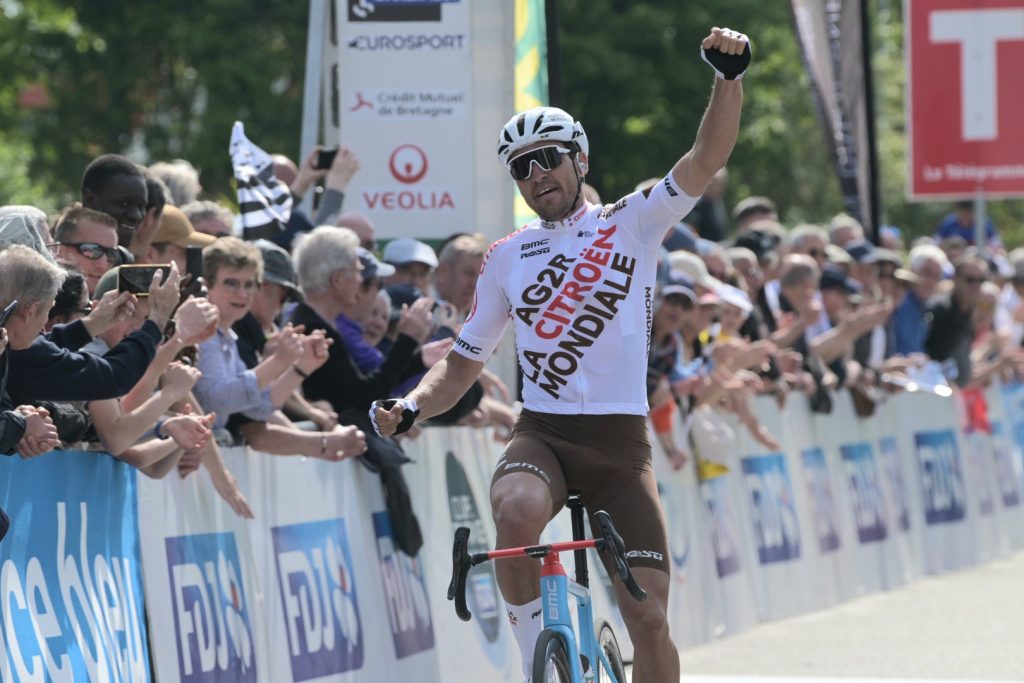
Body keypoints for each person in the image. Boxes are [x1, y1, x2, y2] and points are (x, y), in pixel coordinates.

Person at [372, 26, 751, 683]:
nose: (536, 174)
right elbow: (463, 361)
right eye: (521, 167)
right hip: (543, 431)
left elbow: (704, 157)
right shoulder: (506, 256)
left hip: (619, 444)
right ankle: (533, 664)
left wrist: (728, 79)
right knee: (515, 508)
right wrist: (410, 404)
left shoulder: (631, 222)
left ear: (579, 157)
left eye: (547, 157)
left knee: (651, 622)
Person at [51, 207, 121, 294]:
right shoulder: (36, 302)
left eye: (111, 254)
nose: (103, 266)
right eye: (91, 250)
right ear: (58, 249)